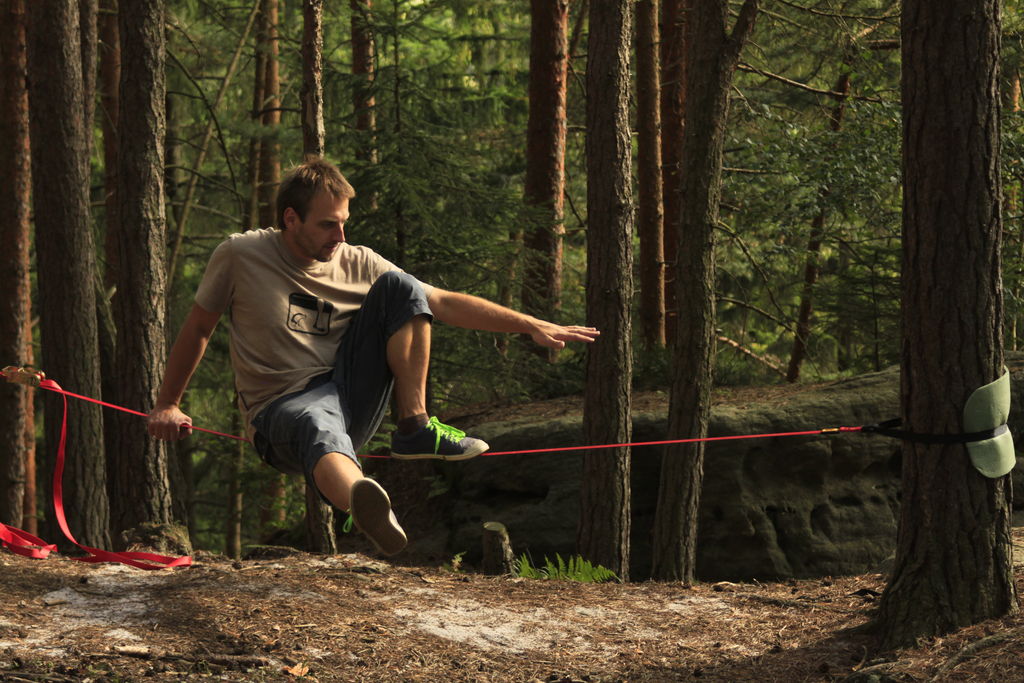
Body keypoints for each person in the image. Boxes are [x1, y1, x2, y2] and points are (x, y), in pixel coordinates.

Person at [147, 158, 599, 556]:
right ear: (291, 218)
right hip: (279, 412)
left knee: (403, 288)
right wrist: (168, 402)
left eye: (344, 222)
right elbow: (199, 328)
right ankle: (358, 502)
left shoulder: (356, 260)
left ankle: (415, 428)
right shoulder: (241, 254)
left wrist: (529, 323)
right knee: (315, 422)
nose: (340, 235)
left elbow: (439, 302)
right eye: (328, 224)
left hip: (350, 394)